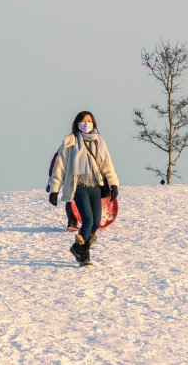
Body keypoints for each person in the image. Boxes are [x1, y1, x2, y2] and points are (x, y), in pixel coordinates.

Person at [48, 111, 120, 267]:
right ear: (77, 123)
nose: (86, 123)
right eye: (83, 121)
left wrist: (113, 183)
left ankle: (79, 248)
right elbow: (60, 166)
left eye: (89, 120)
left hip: (95, 186)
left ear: (93, 123)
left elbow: (107, 164)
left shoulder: (99, 141)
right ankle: (83, 254)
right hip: (79, 186)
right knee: (87, 220)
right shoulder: (70, 141)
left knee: (96, 222)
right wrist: (54, 189)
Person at [48, 150, 78, 229]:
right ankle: (72, 223)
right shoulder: (64, 150)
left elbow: (53, 166)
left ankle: (73, 222)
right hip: (70, 178)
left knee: (71, 199)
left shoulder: (62, 150)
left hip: (73, 178)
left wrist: (50, 177)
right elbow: (55, 167)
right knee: (71, 199)